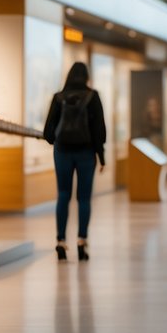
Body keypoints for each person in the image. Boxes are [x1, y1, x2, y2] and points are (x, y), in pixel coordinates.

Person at [43, 61, 107, 262]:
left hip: (62, 152)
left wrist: (57, 140)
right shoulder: (92, 97)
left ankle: (61, 242)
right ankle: (81, 241)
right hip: (86, 153)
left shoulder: (58, 98)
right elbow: (99, 131)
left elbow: (48, 132)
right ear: (87, 77)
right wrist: (101, 156)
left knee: (63, 194)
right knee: (84, 198)